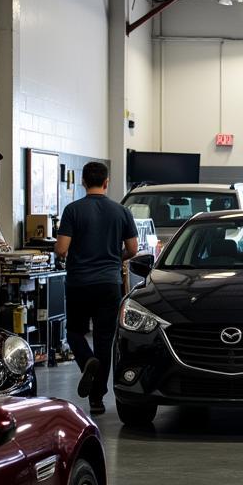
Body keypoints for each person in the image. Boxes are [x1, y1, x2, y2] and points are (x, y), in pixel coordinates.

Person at [55, 162, 138, 416]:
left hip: (79, 283)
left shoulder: (72, 210)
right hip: (109, 285)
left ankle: (85, 360)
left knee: (74, 333)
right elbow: (133, 249)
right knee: (104, 341)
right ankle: (97, 400)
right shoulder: (121, 211)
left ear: (83, 182)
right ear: (107, 182)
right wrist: (115, 258)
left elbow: (61, 249)